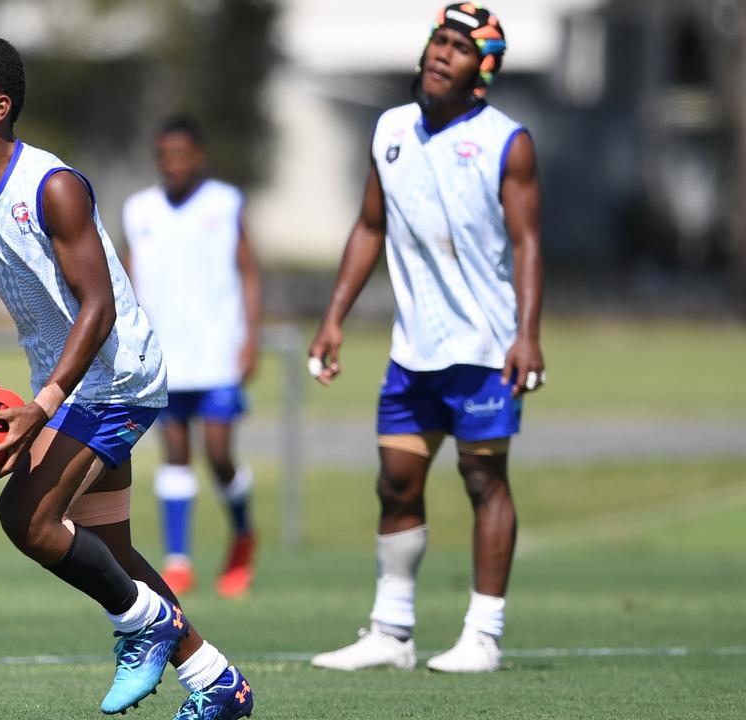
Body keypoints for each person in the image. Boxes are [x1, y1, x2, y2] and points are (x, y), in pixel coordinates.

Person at [0, 35, 254, 719]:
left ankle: (146, 625)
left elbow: (99, 307)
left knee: (27, 517)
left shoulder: (54, 186)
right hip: (68, 383)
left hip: (119, 376)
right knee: (110, 550)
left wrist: (40, 407)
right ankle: (218, 684)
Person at [307, 3, 544, 673]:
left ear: (483, 71)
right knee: (396, 481)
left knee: (482, 478)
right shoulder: (389, 129)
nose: (441, 53)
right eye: (437, 40)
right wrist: (333, 319)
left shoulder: (508, 141)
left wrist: (527, 335)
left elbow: (529, 244)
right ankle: (392, 631)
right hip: (414, 350)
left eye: (459, 48)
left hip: (485, 349)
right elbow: (369, 226)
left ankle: (484, 635)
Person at [121, 117, 262, 598]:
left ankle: (243, 534)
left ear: (199, 156)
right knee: (175, 453)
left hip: (218, 354)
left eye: (181, 155)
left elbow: (248, 273)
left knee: (219, 454)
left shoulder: (225, 204)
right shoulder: (139, 210)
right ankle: (177, 560)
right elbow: (126, 281)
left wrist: (251, 337)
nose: (172, 164)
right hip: (163, 358)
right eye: (164, 155)